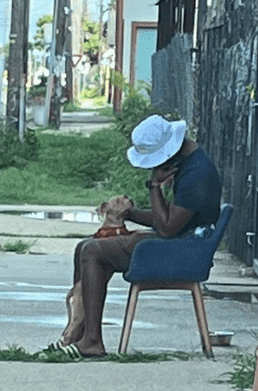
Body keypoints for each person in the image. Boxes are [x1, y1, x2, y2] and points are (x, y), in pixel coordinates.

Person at [53, 114, 222, 358]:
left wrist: (154, 187)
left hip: (183, 252)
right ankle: (80, 330)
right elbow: (169, 218)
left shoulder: (196, 175)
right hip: (182, 244)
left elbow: (165, 228)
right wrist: (129, 213)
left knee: (93, 252)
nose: (154, 168)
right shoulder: (189, 165)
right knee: (84, 247)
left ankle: (91, 340)